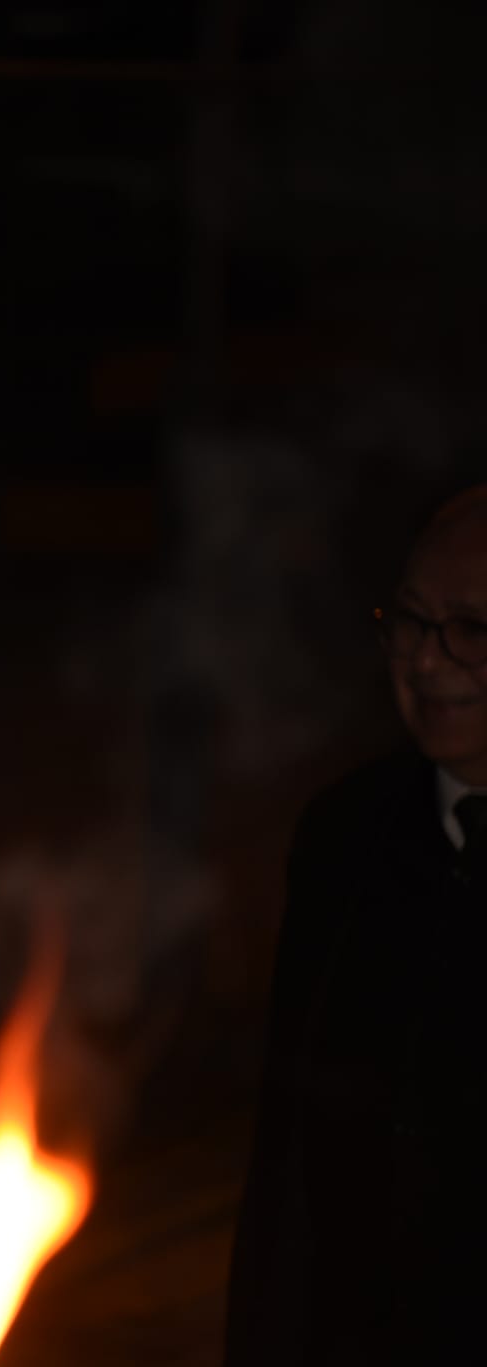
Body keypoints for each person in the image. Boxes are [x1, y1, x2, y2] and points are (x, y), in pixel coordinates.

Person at [225, 485, 486, 1366]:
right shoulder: (346, 833)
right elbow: (288, 1158)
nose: (428, 660)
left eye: (471, 629)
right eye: (410, 623)